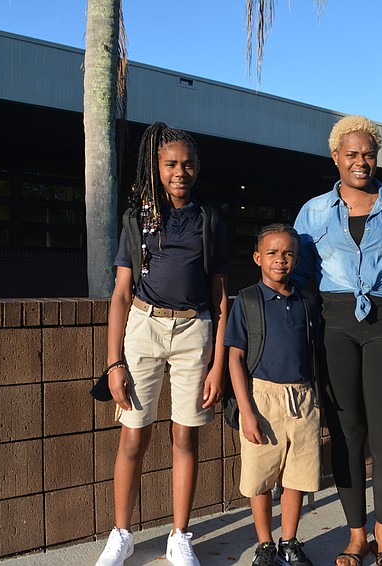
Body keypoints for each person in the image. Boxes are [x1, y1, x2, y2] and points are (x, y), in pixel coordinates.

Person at [292, 116, 382, 566]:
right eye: (351, 154)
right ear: (335, 157)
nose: (361, 162)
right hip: (333, 325)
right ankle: (356, 536)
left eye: (368, 154)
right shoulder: (313, 212)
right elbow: (295, 281)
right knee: (346, 432)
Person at [96, 122, 230, 566]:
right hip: (144, 329)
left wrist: (217, 366)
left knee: (185, 437)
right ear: (156, 166)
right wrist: (114, 362)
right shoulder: (138, 220)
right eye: (171, 164)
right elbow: (120, 294)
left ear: (198, 168)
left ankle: (179, 536)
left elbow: (221, 298)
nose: (179, 172)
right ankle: (122, 534)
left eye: (187, 164)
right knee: (134, 437)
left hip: (196, 333)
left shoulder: (209, 220)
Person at [224, 224, 321, 566]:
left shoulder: (308, 300)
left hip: (303, 397)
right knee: (261, 477)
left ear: (296, 259)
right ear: (257, 258)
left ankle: (289, 542)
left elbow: (315, 351)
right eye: (272, 253)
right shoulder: (248, 300)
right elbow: (234, 357)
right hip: (261, 398)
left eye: (288, 253)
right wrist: (246, 411)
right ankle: (265, 544)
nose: (280, 260)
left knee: (297, 476)